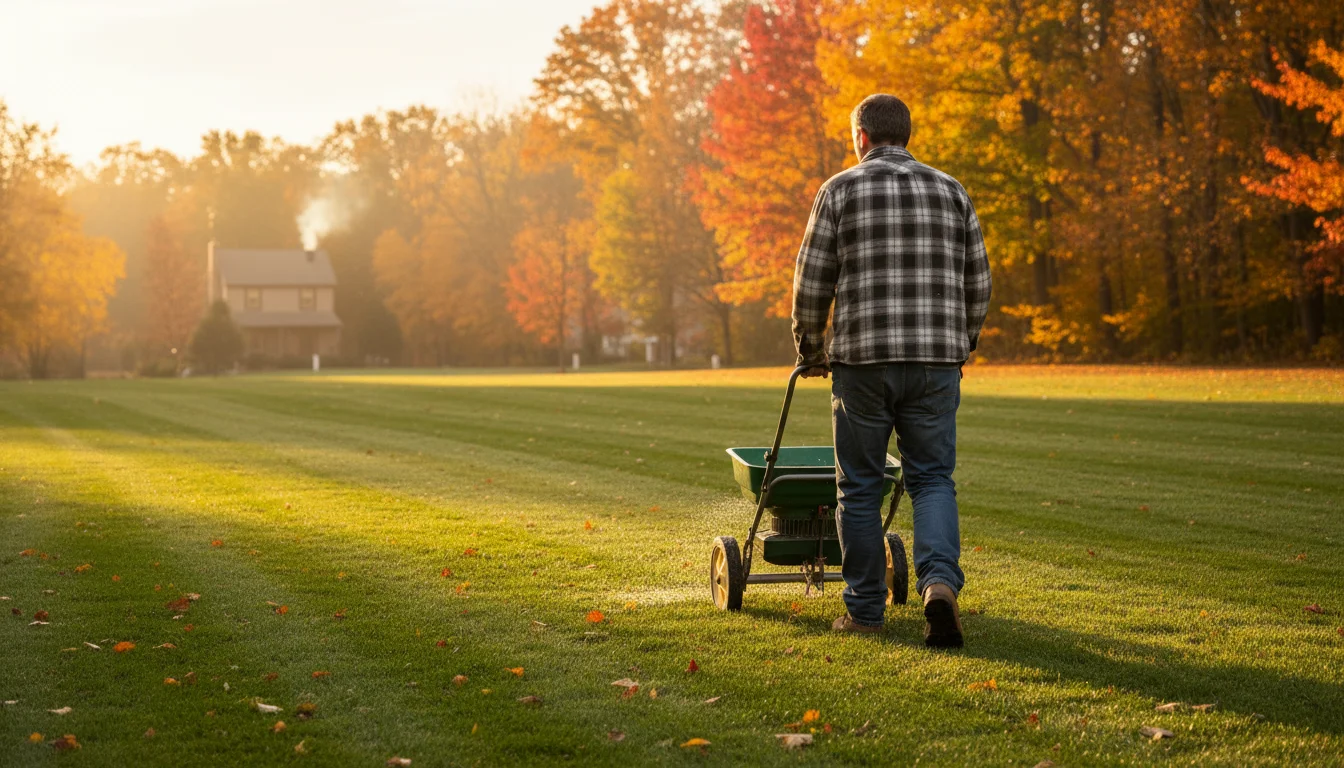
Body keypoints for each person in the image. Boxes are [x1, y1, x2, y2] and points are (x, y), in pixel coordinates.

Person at [791, 93, 991, 648]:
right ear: (907, 133)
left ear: (861, 136)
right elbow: (979, 280)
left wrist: (810, 346)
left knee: (858, 486)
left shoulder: (840, 190)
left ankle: (864, 611)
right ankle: (938, 584)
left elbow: (812, 282)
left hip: (863, 363)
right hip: (935, 362)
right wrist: (962, 342)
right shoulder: (951, 191)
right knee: (931, 478)